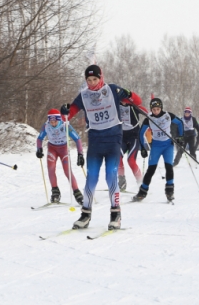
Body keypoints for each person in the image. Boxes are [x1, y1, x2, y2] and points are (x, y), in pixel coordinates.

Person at [61, 64, 143, 230]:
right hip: (95, 139)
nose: (92, 83)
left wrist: (129, 93)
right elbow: (69, 113)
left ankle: (115, 214)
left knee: (110, 175)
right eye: (89, 80)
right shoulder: (84, 95)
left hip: (113, 138)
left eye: (95, 79)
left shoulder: (112, 90)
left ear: (101, 77)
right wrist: (65, 111)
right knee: (91, 176)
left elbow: (138, 101)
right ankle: (85, 215)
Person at [133, 98, 184, 202]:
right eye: (154, 109)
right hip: (156, 146)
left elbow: (180, 123)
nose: (156, 111)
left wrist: (180, 137)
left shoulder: (168, 116)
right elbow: (141, 133)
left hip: (168, 145)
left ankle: (169, 192)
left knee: (169, 167)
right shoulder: (149, 119)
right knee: (151, 170)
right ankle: (142, 192)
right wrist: (142, 148)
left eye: (157, 109)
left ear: (161, 108)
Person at [36, 109, 84, 205]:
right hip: (52, 149)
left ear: (59, 119)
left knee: (67, 171)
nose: (53, 123)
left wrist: (80, 154)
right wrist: (39, 149)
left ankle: (77, 193)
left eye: (55, 121)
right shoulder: (46, 126)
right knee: (51, 169)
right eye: (51, 121)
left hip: (63, 149)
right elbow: (39, 138)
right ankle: (55, 193)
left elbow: (77, 139)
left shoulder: (65, 125)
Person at [117, 94, 146, 191]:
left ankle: (141, 183)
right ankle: (121, 181)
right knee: (117, 158)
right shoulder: (116, 106)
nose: (123, 102)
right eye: (122, 100)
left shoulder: (133, 106)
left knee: (131, 161)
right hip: (122, 137)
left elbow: (147, 112)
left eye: (125, 100)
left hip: (134, 137)